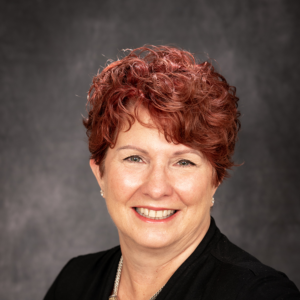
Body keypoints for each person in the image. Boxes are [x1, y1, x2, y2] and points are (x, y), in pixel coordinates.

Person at [44, 45, 300, 300]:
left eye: (184, 162)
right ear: (100, 173)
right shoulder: (74, 282)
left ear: (216, 178)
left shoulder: (262, 295)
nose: (156, 188)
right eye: (135, 158)